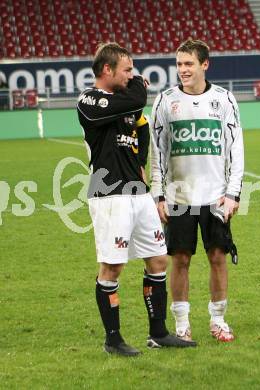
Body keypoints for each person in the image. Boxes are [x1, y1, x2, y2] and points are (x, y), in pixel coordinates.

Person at [77, 42, 196, 357]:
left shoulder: (126, 105)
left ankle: (158, 333)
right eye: (127, 69)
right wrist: (137, 86)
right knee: (112, 267)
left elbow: (140, 129)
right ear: (107, 70)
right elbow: (139, 96)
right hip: (109, 194)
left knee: (158, 260)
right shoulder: (89, 100)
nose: (133, 75)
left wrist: (140, 162)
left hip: (138, 194)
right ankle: (113, 339)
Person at [151, 39, 244, 343]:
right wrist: (159, 195)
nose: (183, 70)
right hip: (179, 197)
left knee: (218, 257)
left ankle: (218, 320)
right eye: (179, 64)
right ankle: (181, 325)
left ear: (205, 64)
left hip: (216, 196)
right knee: (180, 259)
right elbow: (158, 152)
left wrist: (233, 193)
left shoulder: (224, 99)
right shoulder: (164, 101)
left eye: (188, 64)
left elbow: (236, 148)